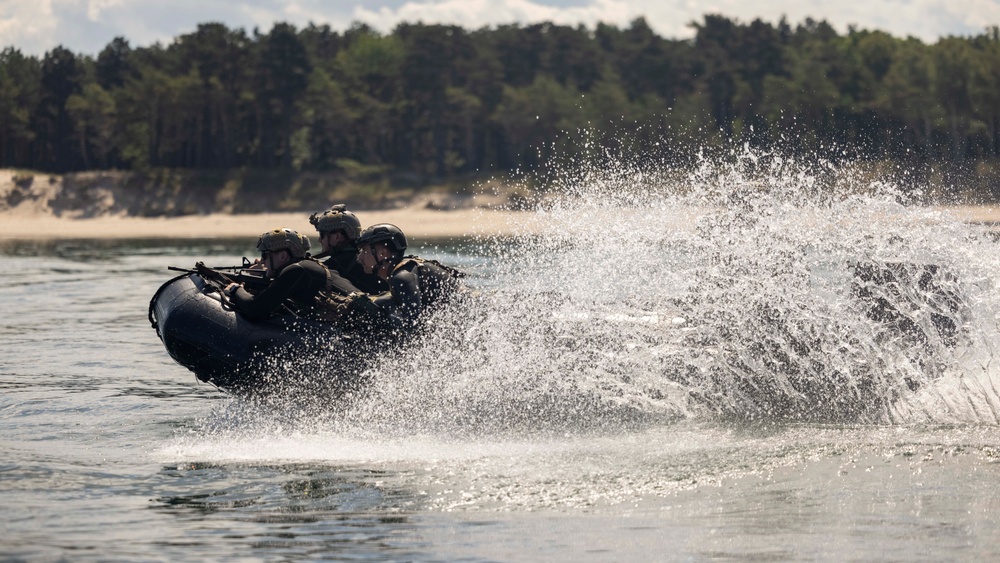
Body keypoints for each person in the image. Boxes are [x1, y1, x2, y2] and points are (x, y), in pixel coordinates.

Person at [351, 223, 463, 331]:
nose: (359, 257)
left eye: (365, 251)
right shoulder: (403, 270)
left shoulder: (402, 277)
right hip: (459, 321)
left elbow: (414, 323)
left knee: (384, 303)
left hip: (468, 320)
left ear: (382, 253)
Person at [224, 228, 329, 321]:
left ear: (283, 256)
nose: (262, 261)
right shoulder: (310, 267)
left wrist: (236, 289)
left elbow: (255, 309)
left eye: (265, 255)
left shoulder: (295, 270)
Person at [309, 204, 387, 295]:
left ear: (337, 237)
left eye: (322, 235)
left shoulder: (334, 265)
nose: (319, 240)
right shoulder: (367, 260)